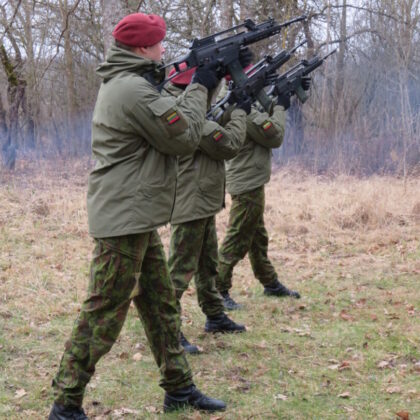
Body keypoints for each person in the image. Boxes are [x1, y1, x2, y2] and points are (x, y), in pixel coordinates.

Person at [48, 13, 228, 419]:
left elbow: (173, 115)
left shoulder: (133, 83)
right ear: (143, 48)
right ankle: (65, 403)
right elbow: (183, 136)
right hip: (123, 218)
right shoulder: (131, 89)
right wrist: (200, 85)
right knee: (103, 312)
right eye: (159, 43)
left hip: (135, 215)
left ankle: (179, 388)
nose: (164, 49)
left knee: (160, 306)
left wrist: (204, 82)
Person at [163, 65, 250, 354]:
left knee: (207, 264)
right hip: (190, 202)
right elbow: (228, 144)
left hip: (201, 199)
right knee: (179, 271)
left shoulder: (189, 106)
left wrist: (232, 94)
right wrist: (240, 112)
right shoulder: (185, 115)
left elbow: (213, 114)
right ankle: (167, 330)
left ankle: (214, 314)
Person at [216, 89, 306, 310]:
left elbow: (264, 117)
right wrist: (280, 106)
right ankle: (217, 289)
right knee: (237, 238)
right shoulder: (242, 109)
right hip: (247, 182)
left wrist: (280, 97)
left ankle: (269, 282)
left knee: (257, 237)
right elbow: (274, 135)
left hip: (249, 179)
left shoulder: (241, 103)